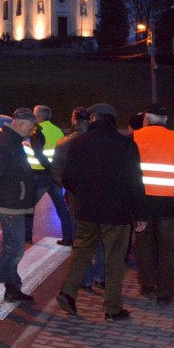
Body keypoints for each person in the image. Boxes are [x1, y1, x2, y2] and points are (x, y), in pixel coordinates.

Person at [55, 103, 147, 322]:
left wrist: (84, 194)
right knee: (114, 260)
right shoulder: (126, 144)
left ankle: (67, 292)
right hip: (117, 212)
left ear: (94, 117)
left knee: (82, 250)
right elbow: (135, 182)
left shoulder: (78, 143)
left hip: (86, 210)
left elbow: (67, 178)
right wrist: (140, 214)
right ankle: (113, 308)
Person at [0, 107, 39, 307]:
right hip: (9, 203)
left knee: (12, 247)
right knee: (15, 249)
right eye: (31, 126)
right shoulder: (6, 143)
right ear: (19, 123)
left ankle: (12, 288)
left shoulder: (14, 141)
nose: (33, 130)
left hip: (14, 201)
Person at [133, 104, 174, 306]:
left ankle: (147, 284)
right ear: (165, 120)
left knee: (143, 245)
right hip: (169, 203)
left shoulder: (136, 137)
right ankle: (166, 293)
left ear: (146, 118)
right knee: (166, 249)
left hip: (143, 203)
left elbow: (131, 172)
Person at [52, 106, 104, 290]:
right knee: (99, 238)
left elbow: (57, 171)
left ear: (74, 120)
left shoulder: (64, 142)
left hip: (76, 197)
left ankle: (86, 278)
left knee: (80, 240)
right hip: (100, 195)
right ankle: (101, 276)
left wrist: (69, 188)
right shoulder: (100, 139)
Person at [25, 105, 73, 245]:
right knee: (62, 207)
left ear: (38, 116)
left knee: (28, 206)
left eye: (34, 114)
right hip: (54, 176)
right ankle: (68, 237)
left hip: (39, 174)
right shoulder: (57, 130)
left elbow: (39, 153)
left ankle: (27, 236)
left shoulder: (37, 131)